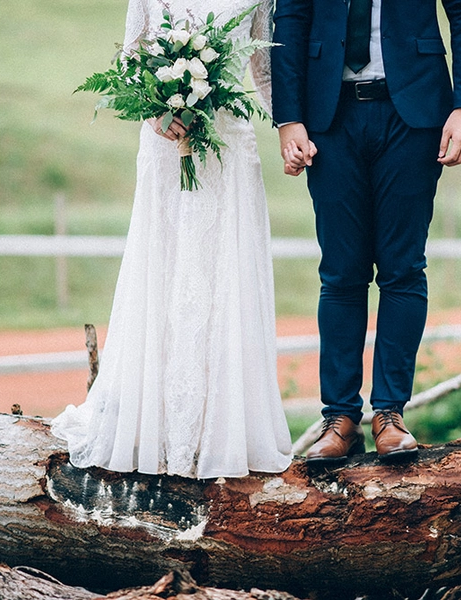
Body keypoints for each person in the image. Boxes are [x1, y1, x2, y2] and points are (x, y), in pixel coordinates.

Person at [51, 0, 292, 479]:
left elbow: (264, 71)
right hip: (165, 144)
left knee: (223, 272)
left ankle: (221, 431)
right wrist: (153, 113)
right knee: (164, 268)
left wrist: (293, 126)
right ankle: (155, 424)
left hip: (229, 147)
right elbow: (130, 58)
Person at [271, 0, 461, 464]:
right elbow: (289, 18)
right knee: (340, 273)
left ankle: (389, 414)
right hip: (328, 118)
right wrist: (288, 119)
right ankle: (340, 419)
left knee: (402, 269)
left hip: (415, 115)